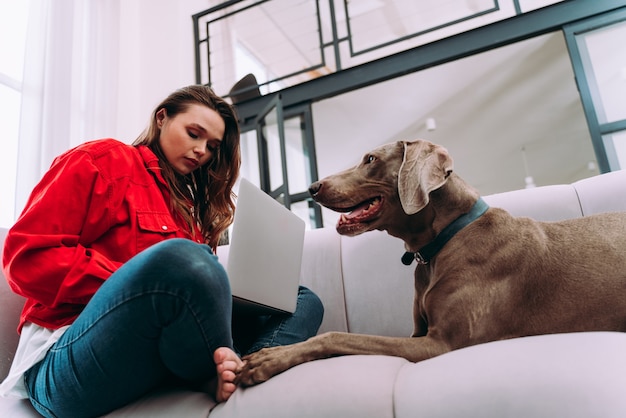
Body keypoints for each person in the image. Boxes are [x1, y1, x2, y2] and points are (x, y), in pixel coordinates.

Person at [0, 85, 324, 417]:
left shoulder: (185, 208)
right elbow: (26, 258)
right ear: (162, 118)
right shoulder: (103, 160)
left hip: (155, 355)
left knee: (301, 299)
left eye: (212, 147)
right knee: (182, 260)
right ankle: (215, 370)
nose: (201, 151)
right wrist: (136, 283)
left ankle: (247, 371)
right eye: (193, 134)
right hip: (65, 361)